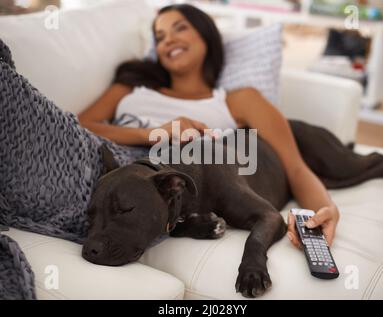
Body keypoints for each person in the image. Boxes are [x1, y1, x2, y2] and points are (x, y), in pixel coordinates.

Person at [77, 4, 340, 248]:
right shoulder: (133, 85)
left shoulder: (241, 100)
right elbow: (82, 124)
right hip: (115, 174)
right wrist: (155, 134)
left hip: (166, 191)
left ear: (206, 36)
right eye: (160, 36)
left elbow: (295, 167)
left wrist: (324, 210)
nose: (168, 39)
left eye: (180, 28)